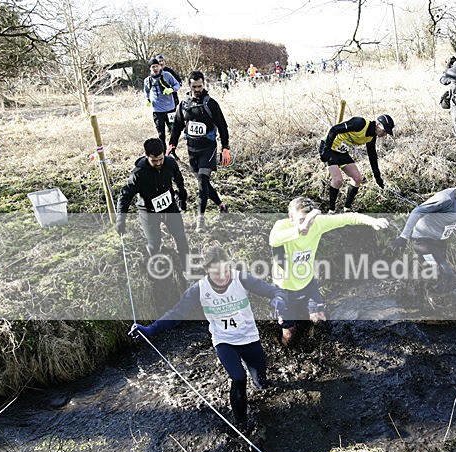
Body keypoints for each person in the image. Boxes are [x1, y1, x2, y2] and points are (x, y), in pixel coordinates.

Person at [130, 246, 286, 430]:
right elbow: (177, 313)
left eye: (225, 270)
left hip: (249, 337)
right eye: (216, 273)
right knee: (238, 379)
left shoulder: (241, 278)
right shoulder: (199, 289)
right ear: (207, 271)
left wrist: (278, 300)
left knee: (261, 381)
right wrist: (150, 330)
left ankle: (261, 388)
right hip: (224, 341)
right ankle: (241, 426)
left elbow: (274, 291)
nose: (222, 276)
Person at [270, 196, 389, 345]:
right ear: (291, 217)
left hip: (308, 283)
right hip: (284, 289)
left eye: (310, 220)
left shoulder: (318, 223)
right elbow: (273, 240)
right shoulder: (281, 226)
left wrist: (371, 221)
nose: (308, 225)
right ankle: (286, 351)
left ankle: (315, 344)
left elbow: (346, 218)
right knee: (289, 333)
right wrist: (301, 228)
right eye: (301, 220)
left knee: (319, 318)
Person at [389, 171, 456, 291]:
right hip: (423, 241)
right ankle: (434, 303)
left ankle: (415, 290)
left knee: (440, 275)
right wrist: (403, 237)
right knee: (444, 273)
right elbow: (416, 212)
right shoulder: (447, 198)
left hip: (439, 242)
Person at [168, 71, 231, 233]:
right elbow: (177, 126)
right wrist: (172, 144)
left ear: (204, 85)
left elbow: (223, 127)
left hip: (208, 149)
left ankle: (200, 221)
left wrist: (225, 148)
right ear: (189, 86)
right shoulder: (184, 104)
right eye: (194, 86)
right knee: (204, 184)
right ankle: (221, 205)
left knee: (202, 182)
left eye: (200, 86)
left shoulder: (211, 104)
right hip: (192, 150)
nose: (197, 89)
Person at [116, 138, 190, 275]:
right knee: (154, 244)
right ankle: (157, 273)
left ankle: (187, 271)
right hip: (148, 211)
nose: (158, 163)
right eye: (154, 161)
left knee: (181, 238)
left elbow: (178, 179)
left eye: (160, 159)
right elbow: (125, 195)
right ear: (146, 157)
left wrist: (182, 194)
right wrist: (121, 219)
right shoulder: (138, 173)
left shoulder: (170, 163)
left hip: (169, 207)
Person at [318, 114, 394, 213]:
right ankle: (331, 210)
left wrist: (377, 177)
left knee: (358, 178)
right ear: (377, 124)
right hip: (329, 148)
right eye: (384, 131)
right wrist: (325, 150)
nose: (384, 134)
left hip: (342, 152)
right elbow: (334, 129)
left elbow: (372, 157)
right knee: (338, 180)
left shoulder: (371, 137)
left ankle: (347, 209)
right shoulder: (360, 123)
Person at [144, 56, 181, 147]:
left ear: (160, 66)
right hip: (157, 110)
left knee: (173, 131)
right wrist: (147, 99)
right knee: (161, 134)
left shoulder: (167, 75)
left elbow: (177, 85)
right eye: (153, 67)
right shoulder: (147, 80)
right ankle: (163, 152)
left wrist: (171, 89)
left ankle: (172, 149)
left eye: (157, 66)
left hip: (170, 109)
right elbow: (146, 91)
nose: (155, 68)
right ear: (150, 68)